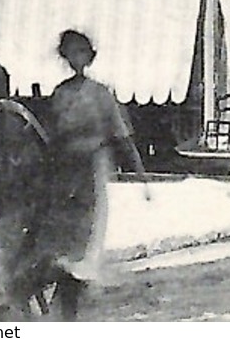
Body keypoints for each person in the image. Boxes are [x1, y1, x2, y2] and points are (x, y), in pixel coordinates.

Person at [40, 30, 149, 320]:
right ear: (65, 57)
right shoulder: (60, 94)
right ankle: (67, 280)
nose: (76, 59)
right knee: (64, 221)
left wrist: (142, 177)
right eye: (71, 54)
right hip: (65, 167)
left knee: (89, 221)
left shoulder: (101, 94)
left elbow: (123, 137)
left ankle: (76, 279)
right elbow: (49, 137)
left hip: (93, 165)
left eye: (81, 53)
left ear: (89, 57)